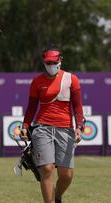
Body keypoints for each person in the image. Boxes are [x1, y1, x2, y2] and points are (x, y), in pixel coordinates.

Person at [19, 45, 84, 203]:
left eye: (53, 62)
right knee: (47, 169)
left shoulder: (71, 79)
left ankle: (57, 196)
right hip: (42, 128)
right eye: (47, 63)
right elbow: (31, 107)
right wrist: (25, 126)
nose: (50, 66)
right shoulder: (37, 82)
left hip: (65, 129)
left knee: (66, 174)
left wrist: (79, 127)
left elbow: (77, 106)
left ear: (60, 61)